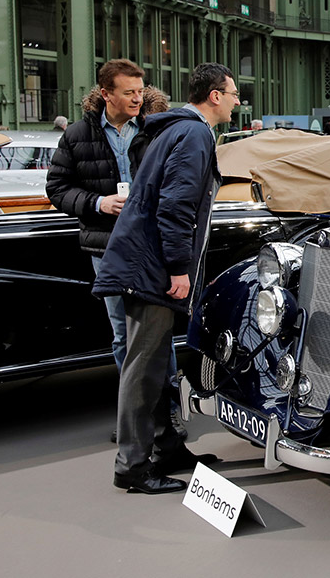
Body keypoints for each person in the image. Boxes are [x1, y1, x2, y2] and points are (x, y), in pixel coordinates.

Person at [95, 63, 235, 494]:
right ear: (214, 95)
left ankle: (167, 448)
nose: (235, 101)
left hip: (145, 265)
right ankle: (132, 468)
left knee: (154, 365)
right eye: (231, 93)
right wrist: (179, 269)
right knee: (143, 369)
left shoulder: (174, 130)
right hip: (153, 270)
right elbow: (174, 207)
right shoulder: (193, 134)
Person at [46, 61, 186, 441]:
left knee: (158, 334)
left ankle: (169, 413)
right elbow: (57, 188)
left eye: (141, 91)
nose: (137, 98)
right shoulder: (77, 136)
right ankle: (134, 419)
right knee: (124, 335)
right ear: (106, 94)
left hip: (153, 245)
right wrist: (97, 203)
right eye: (129, 92)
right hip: (107, 247)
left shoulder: (159, 130)